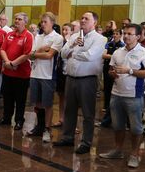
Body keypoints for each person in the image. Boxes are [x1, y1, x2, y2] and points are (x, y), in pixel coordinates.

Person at [98, 24, 145, 169]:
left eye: (130, 34)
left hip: (134, 95)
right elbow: (111, 69)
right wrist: (112, 73)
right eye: (125, 33)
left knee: (136, 128)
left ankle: (134, 154)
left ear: (138, 36)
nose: (127, 36)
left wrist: (129, 70)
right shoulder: (117, 52)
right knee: (117, 125)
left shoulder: (144, 53)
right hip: (116, 94)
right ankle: (118, 150)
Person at [53, 12, 107, 154]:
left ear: (94, 22)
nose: (82, 20)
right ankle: (67, 138)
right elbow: (63, 53)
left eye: (86, 19)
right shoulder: (75, 36)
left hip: (87, 79)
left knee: (88, 113)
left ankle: (86, 142)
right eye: (82, 18)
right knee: (69, 109)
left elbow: (90, 56)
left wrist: (73, 53)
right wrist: (71, 48)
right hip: (71, 78)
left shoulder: (100, 39)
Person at [27, 12, 63, 143]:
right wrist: (41, 50)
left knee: (47, 104)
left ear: (52, 23)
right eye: (41, 22)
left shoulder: (57, 38)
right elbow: (30, 55)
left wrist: (36, 53)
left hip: (48, 75)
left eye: (45, 22)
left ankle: (47, 129)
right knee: (37, 103)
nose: (42, 24)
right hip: (35, 73)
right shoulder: (38, 37)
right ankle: (39, 126)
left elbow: (50, 56)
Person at [0, 12, 33, 131]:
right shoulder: (9, 34)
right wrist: (7, 62)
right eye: (16, 19)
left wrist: (13, 64)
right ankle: (6, 118)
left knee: (20, 99)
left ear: (25, 22)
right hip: (8, 72)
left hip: (21, 74)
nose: (16, 21)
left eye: (20, 19)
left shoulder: (28, 35)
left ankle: (19, 120)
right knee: (7, 97)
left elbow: (27, 54)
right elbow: (2, 49)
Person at [99, 29, 125, 127]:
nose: (115, 35)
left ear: (120, 35)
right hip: (107, 68)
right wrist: (113, 56)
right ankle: (106, 106)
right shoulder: (109, 44)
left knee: (113, 91)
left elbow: (118, 58)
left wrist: (110, 56)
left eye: (117, 33)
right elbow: (103, 55)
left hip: (117, 69)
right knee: (107, 88)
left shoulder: (122, 45)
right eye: (114, 33)